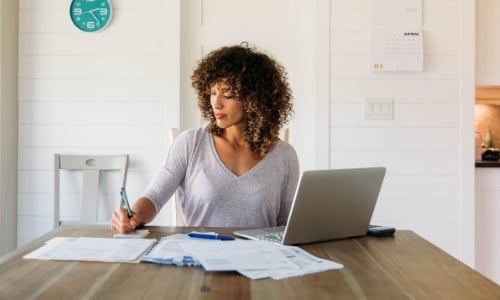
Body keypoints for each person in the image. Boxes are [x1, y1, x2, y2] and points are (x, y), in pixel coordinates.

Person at [111, 43, 300, 233]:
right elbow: (154, 197)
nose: (216, 104)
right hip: (199, 256)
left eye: (228, 94)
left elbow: (286, 224)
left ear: (255, 99)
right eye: (212, 93)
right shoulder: (190, 143)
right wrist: (133, 216)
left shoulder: (284, 155)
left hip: (261, 259)